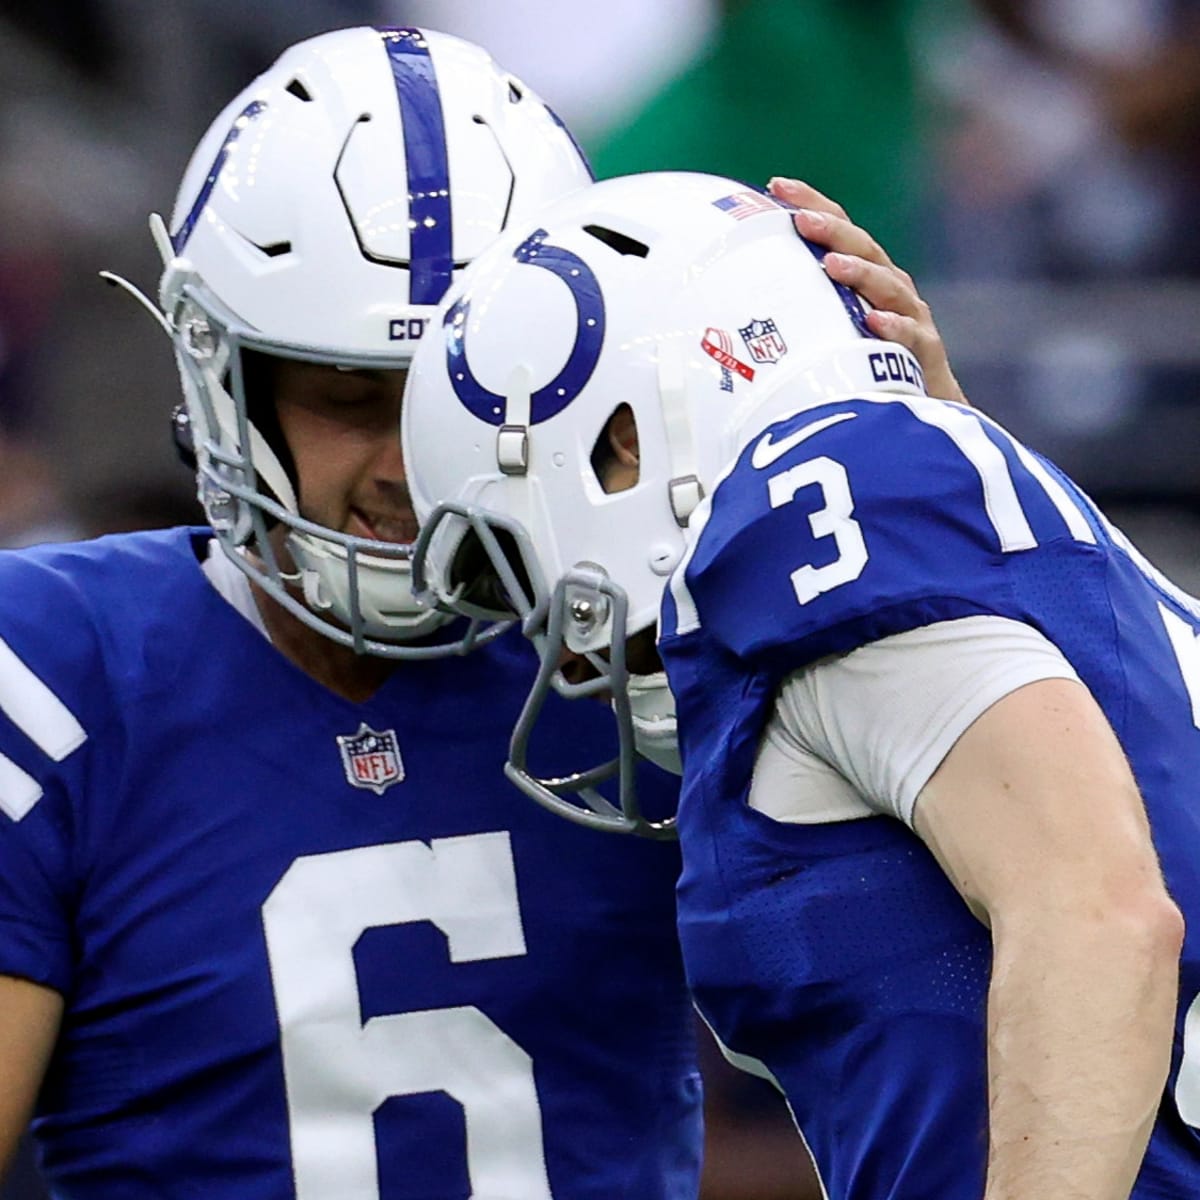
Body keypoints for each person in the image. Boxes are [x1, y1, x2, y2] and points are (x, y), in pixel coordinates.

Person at [0, 27, 949, 1199]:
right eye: (351, 396)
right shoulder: (49, 670)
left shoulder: (673, 637)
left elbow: (1004, 974)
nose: (413, 462)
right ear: (220, 374)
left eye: (470, 402)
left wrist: (930, 446)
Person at [401, 170, 1198, 1198]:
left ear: (625, 441)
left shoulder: (813, 513)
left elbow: (1100, 916)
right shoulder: (983, 525)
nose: (556, 652)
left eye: (516, 560)